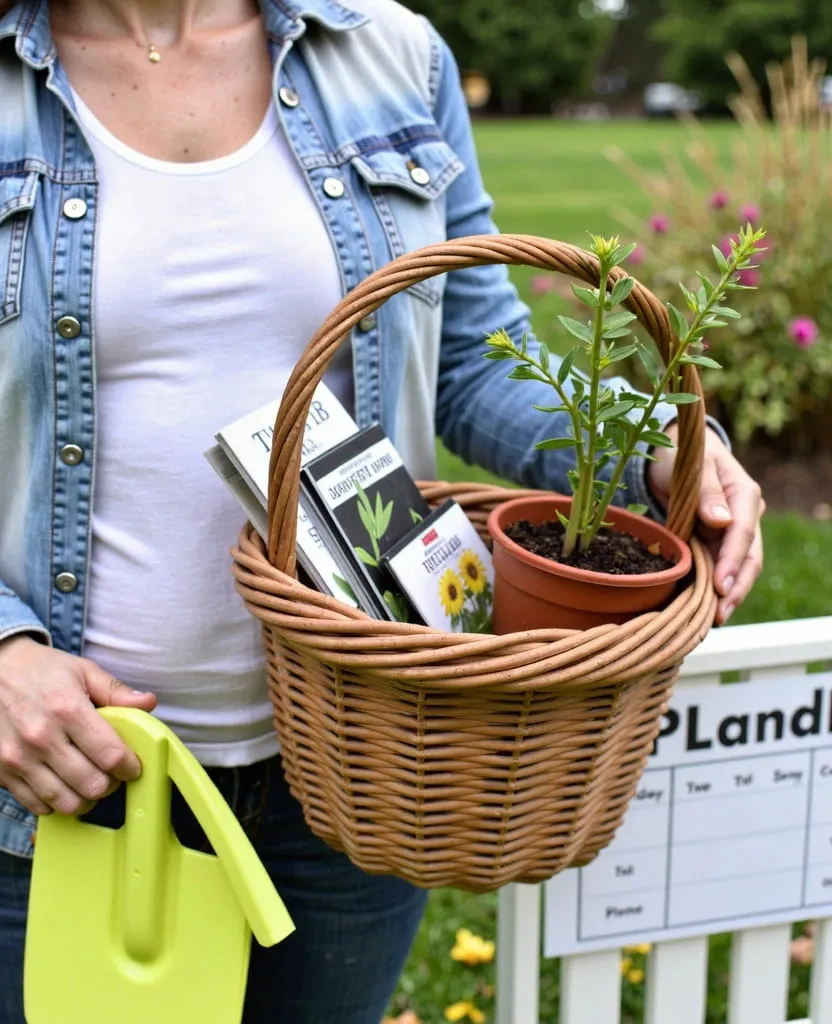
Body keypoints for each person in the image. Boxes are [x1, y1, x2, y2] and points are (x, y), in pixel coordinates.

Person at [0, 0, 764, 1020]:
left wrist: (656, 454)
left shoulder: (388, 54)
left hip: (361, 761)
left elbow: (471, 364)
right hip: (64, 777)